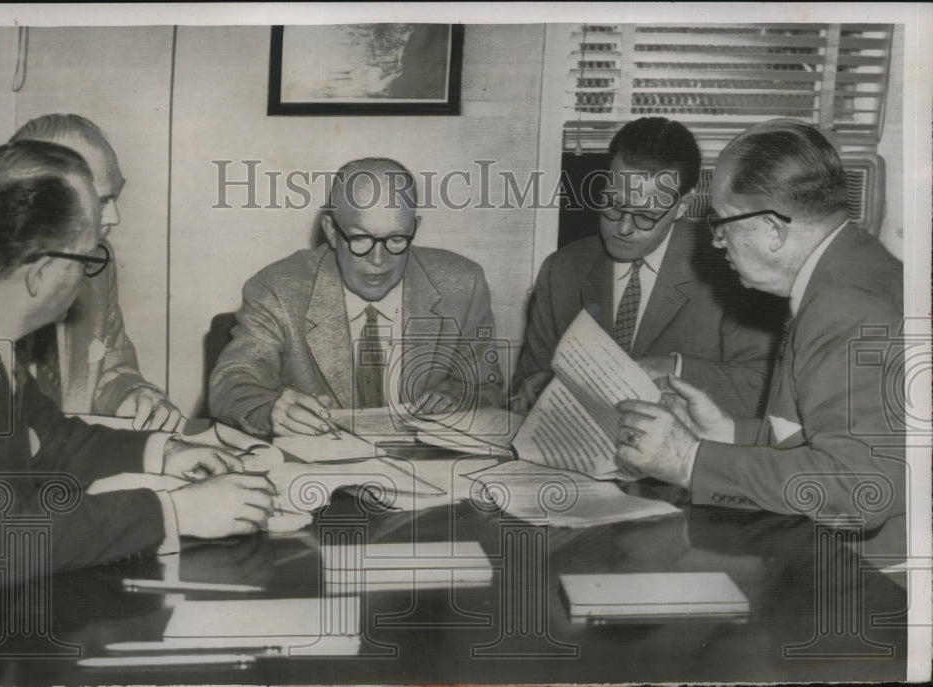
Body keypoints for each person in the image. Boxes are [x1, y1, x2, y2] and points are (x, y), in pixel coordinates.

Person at [0, 140, 277, 578]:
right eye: (89, 258)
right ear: (41, 272)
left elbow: (54, 441)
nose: (89, 276)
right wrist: (172, 512)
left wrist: (164, 452)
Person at [615, 119, 905, 529]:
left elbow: (859, 488)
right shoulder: (853, 262)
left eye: (722, 222)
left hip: (878, 570)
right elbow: (827, 437)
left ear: (771, 229)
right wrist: (727, 432)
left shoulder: (845, 305)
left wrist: (689, 460)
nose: (717, 241)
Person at [209, 157, 505, 436]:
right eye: (360, 239)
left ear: (415, 228)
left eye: (397, 238)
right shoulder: (278, 289)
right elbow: (233, 383)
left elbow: (486, 386)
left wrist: (458, 398)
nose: (379, 259)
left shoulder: (463, 283)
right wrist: (273, 410)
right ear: (332, 232)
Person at [513, 117, 785, 417]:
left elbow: (762, 386)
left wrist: (674, 368)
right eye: (614, 205)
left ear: (682, 206)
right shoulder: (561, 269)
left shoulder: (731, 272)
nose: (624, 228)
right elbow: (527, 379)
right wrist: (537, 387)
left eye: (646, 215)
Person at [9, 114, 181, 430]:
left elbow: (108, 360)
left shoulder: (97, 261)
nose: (114, 217)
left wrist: (132, 393)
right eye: (100, 201)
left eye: (115, 197)